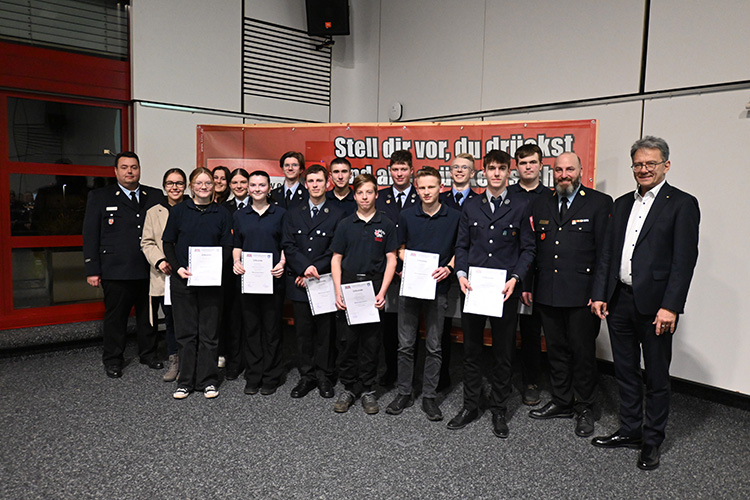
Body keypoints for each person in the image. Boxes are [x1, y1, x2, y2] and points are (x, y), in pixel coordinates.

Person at [590, 136, 700, 471]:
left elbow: (684, 260)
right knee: (624, 372)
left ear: (666, 165)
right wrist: (599, 292)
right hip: (619, 301)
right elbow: (608, 253)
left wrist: (672, 306)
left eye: (651, 163)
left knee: (656, 377)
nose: (644, 169)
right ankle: (630, 429)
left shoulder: (682, 203)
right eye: (638, 163)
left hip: (656, 307)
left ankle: (652, 441)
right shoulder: (621, 204)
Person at [448, 149, 535, 438]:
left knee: (502, 351)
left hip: (503, 291)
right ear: (482, 171)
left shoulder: (521, 205)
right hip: (472, 288)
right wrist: (460, 273)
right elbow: (461, 246)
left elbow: (528, 249)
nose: (496, 173)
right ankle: (470, 405)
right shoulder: (471, 206)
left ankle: (499, 409)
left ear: (509, 172)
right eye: (491, 168)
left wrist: (516, 278)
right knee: (471, 350)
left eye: (501, 168)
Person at [527, 153, 613, 437]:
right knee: (556, 351)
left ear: (581, 171)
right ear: (552, 172)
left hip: (582, 296)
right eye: (559, 169)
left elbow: (604, 254)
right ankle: (563, 400)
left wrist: (599, 293)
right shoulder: (541, 202)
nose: (564, 174)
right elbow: (533, 250)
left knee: (583, 353)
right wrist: (528, 285)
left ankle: (585, 406)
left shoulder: (599, 203)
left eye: (570, 169)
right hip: (548, 292)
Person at [385, 167, 460, 421]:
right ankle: (404, 392)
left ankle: (429, 396)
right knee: (405, 344)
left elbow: (461, 249)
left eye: (431, 187)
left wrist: (449, 267)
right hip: (411, 288)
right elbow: (399, 248)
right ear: (416, 189)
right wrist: (414, 262)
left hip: (439, 288)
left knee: (435, 345)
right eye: (422, 188)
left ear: (441, 188)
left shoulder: (454, 217)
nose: (427, 192)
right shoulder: (407, 216)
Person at [83, 151, 164, 378]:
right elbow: (91, 234)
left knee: (147, 316)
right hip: (116, 269)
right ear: (116, 171)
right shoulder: (100, 196)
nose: (130, 171)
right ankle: (113, 360)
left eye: (134, 167)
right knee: (115, 318)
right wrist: (92, 269)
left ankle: (148, 354)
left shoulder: (154, 195)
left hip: (147, 268)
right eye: (125, 167)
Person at [162, 167, 233, 400]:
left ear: (214, 187)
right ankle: (185, 382)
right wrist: (177, 268)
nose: (204, 187)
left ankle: (208, 381)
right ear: (191, 186)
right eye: (199, 183)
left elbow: (227, 246)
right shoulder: (180, 211)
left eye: (208, 183)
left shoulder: (222, 213)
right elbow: (168, 243)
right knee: (186, 333)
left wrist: (213, 269)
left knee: (209, 334)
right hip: (184, 281)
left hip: (212, 282)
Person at [331, 173, 398, 414]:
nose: (365, 197)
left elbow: (391, 259)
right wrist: (337, 291)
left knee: (371, 341)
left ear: (376, 194)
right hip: (348, 285)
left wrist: (383, 292)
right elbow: (336, 258)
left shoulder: (386, 224)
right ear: (355, 195)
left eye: (369, 192)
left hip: (374, 287)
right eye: (360, 192)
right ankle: (349, 387)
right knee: (347, 341)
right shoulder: (345, 224)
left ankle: (368, 388)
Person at [282, 164, 345, 399]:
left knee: (325, 333)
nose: (316, 185)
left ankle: (324, 377)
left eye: (320, 181)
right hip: (299, 283)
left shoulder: (338, 213)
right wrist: (302, 267)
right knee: (303, 334)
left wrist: (312, 268)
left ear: (327, 183)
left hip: (323, 281)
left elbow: (337, 249)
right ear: (305, 184)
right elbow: (288, 245)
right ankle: (306, 377)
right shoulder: (293, 212)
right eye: (311, 181)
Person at [233, 170, 287, 396]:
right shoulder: (240, 215)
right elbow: (237, 243)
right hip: (248, 280)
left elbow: (286, 243)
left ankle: (271, 375)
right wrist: (236, 261)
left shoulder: (280, 214)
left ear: (269, 188)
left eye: (261, 185)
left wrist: (283, 262)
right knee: (252, 328)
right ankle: (253, 375)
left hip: (273, 279)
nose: (256, 189)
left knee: (272, 329)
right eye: (253, 185)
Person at [509, 144, 550, 406]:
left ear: (540, 165)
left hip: (538, 273)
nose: (528, 167)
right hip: (507, 274)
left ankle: (531, 381)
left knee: (532, 331)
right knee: (504, 330)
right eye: (523, 163)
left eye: (533, 162)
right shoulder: (507, 194)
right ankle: (503, 379)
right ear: (517, 166)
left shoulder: (549, 196)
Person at [374, 149, 419, 387]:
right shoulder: (379, 197)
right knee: (389, 325)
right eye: (395, 169)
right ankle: (391, 370)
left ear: (411, 170)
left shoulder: (421, 195)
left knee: (412, 323)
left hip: (416, 270)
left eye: (404, 169)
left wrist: (407, 264)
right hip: (387, 270)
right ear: (389, 171)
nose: (399, 173)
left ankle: (411, 375)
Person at [141, 168, 187, 383]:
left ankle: (190, 361)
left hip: (188, 273)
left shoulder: (192, 208)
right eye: (170, 183)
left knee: (189, 320)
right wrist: (160, 260)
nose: (174, 187)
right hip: (164, 275)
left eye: (179, 183)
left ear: (185, 186)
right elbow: (147, 242)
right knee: (170, 320)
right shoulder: (154, 212)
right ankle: (174, 360)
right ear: (164, 186)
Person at [437, 153, 480, 391]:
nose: (460, 171)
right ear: (450, 172)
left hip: (470, 274)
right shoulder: (439, 199)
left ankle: (472, 381)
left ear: (472, 174)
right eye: (456, 167)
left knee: (470, 327)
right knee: (440, 326)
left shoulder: (480, 201)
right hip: (441, 272)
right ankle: (442, 376)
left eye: (465, 168)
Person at [218, 168, 250, 380]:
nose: (239, 186)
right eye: (235, 182)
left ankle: (252, 359)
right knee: (232, 318)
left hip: (256, 272)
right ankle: (234, 361)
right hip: (230, 272)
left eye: (243, 182)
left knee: (252, 317)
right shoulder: (223, 209)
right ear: (230, 185)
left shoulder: (262, 207)